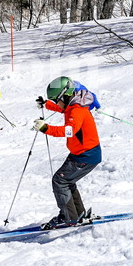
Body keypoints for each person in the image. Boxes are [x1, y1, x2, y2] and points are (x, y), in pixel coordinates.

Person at [33, 76, 102, 229]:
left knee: (60, 181)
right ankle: (77, 214)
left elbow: (69, 131)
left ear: (65, 95)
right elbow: (61, 108)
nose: (57, 103)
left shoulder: (76, 111)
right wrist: (47, 104)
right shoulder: (74, 104)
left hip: (86, 155)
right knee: (66, 181)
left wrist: (46, 128)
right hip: (82, 153)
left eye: (56, 99)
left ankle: (69, 217)